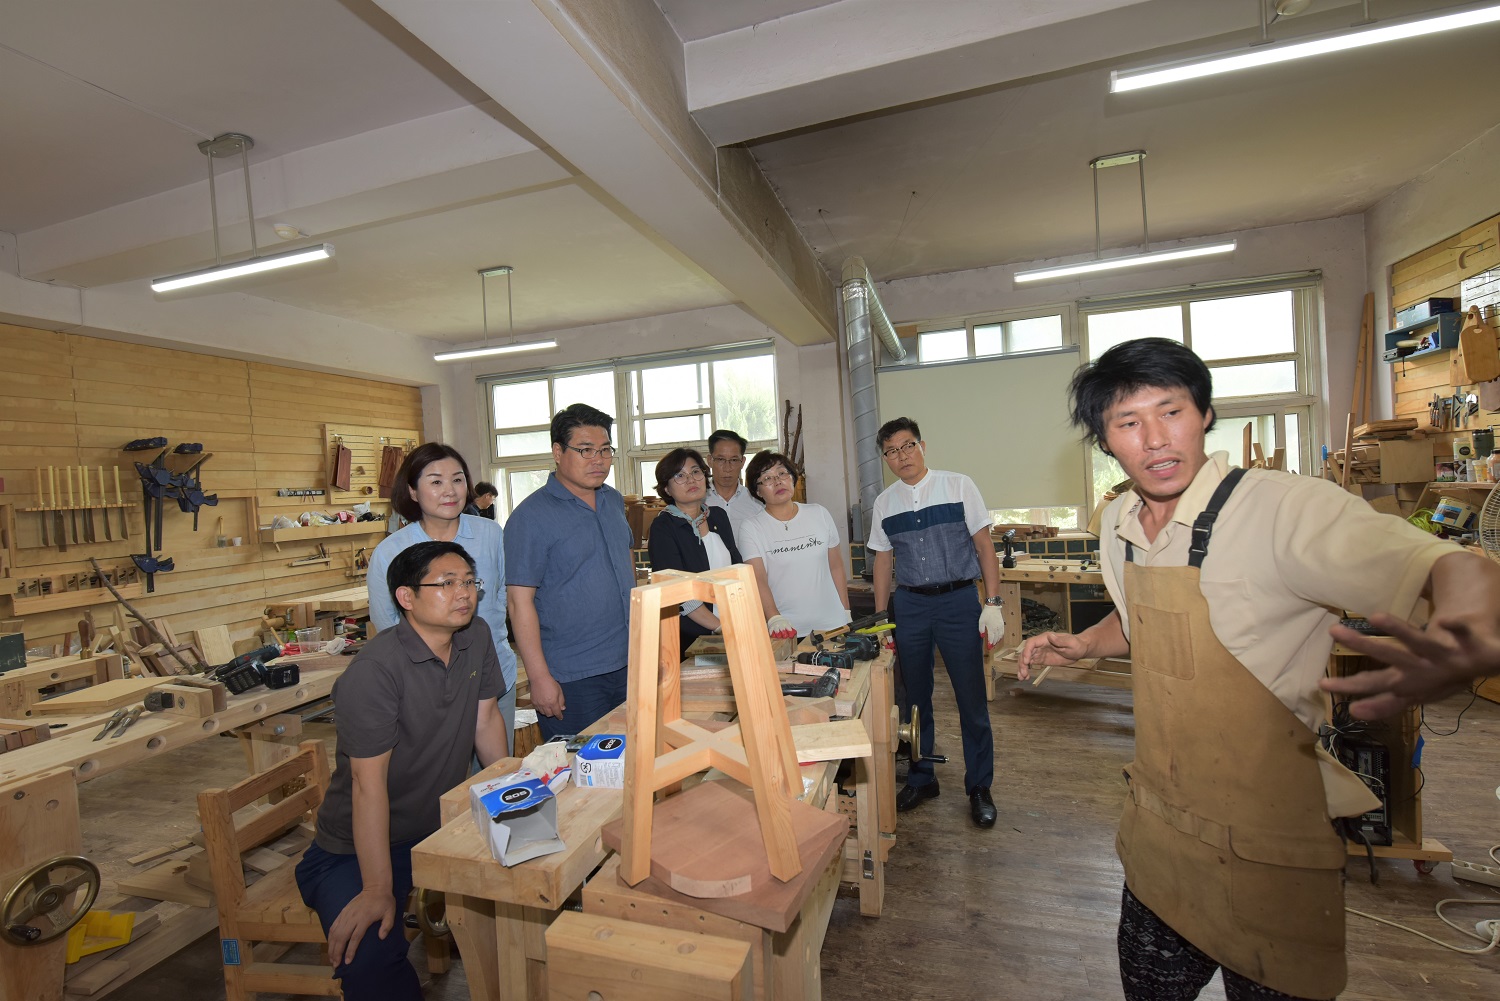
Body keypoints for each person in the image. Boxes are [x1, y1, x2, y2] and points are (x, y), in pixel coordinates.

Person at [1019, 337, 1500, 1001]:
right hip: (1158, 838)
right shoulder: (1118, 521)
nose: (1155, 439)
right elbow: (1140, 623)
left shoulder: (1283, 508)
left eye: (1172, 411)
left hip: (1275, 848)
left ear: (1206, 414)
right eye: (1129, 423)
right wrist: (1084, 642)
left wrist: (1470, 630)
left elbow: (1448, 564)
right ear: (1105, 440)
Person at [297, 541, 508, 1001]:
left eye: (470, 581)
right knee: (369, 960)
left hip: (438, 829)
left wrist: (516, 799)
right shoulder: (374, 672)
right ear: (406, 598)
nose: (464, 593)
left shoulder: (476, 637)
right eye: (446, 583)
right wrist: (377, 888)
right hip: (356, 849)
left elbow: (486, 720)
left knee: (529, 893)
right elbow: (366, 787)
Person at [867, 417, 1005, 829]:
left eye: (907, 446)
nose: (901, 456)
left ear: (922, 445)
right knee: (914, 698)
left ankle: (979, 785)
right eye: (891, 451)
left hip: (959, 601)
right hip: (910, 605)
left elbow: (984, 545)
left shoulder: (958, 485)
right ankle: (922, 775)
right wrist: (880, 620)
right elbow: (882, 561)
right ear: (885, 458)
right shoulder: (884, 503)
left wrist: (993, 601)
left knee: (971, 698)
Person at [366, 443, 518, 739]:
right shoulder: (391, 552)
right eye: (436, 481)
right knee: (442, 778)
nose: (450, 490)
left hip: (495, 674)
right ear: (412, 491)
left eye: (457, 479)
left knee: (496, 774)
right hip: (426, 688)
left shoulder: (490, 534)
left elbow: (504, 596)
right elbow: (387, 623)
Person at [506, 403, 635, 740]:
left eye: (606, 450)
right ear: (558, 452)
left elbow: (626, 569)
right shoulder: (530, 517)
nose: (599, 459)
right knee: (582, 779)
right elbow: (520, 603)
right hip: (572, 677)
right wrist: (538, 677)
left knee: (635, 764)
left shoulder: (614, 501)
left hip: (628, 662)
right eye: (586, 450)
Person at [737, 451, 850, 638]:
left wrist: (845, 611)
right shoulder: (752, 527)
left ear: (792, 478)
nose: (777, 481)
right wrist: (774, 618)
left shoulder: (819, 513)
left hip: (834, 625)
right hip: (787, 630)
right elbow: (758, 578)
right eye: (767, 478)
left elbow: (836, 566)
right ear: (757, 491)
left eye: (782, 473)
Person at [646, 447, 743, 646]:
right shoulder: (664, 526)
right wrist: (720, 628)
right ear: (666, 488)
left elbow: (737, 569)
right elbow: (678, 592)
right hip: (694, 638)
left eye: (696, 472)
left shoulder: (718, 516)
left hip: (732, 622)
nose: (691, 480)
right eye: (679, 476)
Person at [705, 428, 763, 529]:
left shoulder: (757, 502)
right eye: (720, 459)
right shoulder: (698, 501)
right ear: (710, 460)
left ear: (743, 462)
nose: (727, 468)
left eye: (734, 460)